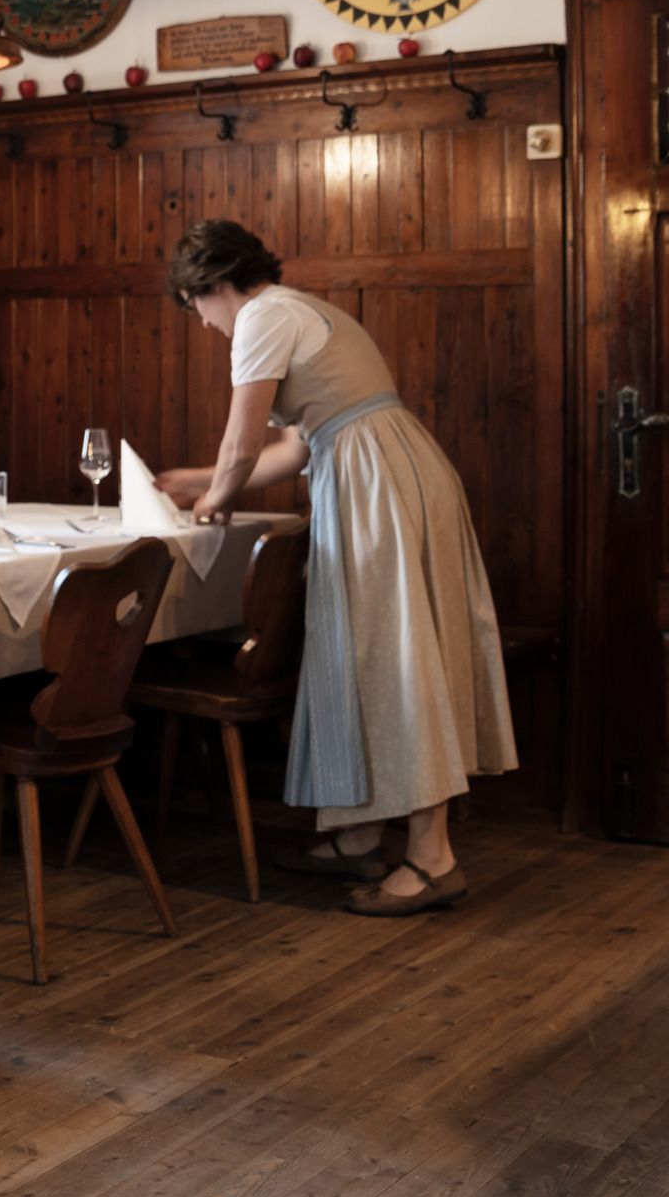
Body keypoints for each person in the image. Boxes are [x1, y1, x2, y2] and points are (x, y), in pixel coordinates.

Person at [156, 219, 514, 914]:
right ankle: (358, 834)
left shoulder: (262, 315)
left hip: (375, 479)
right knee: (366, 654)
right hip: (387, 468)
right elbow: (292, 450)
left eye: (194, 303)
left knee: (397, 657)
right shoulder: (297, 308)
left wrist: (214, 503)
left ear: (216, 284)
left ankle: (433, 859)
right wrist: (199, 480)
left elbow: (242, 442)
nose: (200, 322)